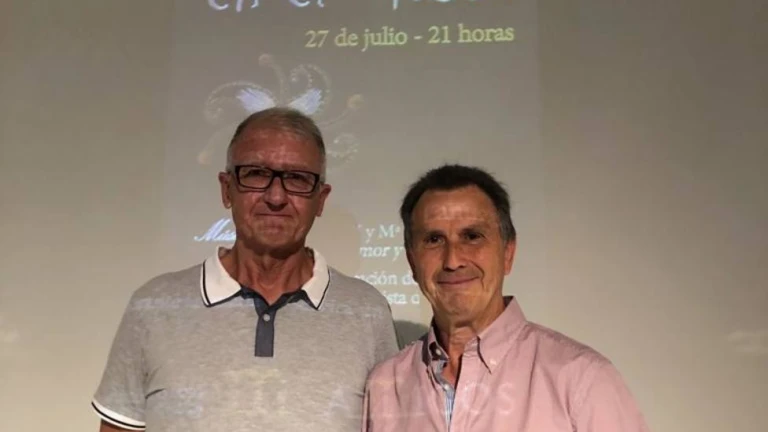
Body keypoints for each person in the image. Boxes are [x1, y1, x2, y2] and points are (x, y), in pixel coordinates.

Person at [92, 107, 399, 431]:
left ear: (320, 199)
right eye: (256, 174)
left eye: (297, 178)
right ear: (227, 189)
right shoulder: (153, 306)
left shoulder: (367, 312)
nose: (276, 197)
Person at [363, 164, 649, 431]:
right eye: (434, 240)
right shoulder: (385, 386)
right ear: (412, 263)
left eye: (472, 236)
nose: (453, 260)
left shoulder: (581, 379)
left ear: (508, 253)